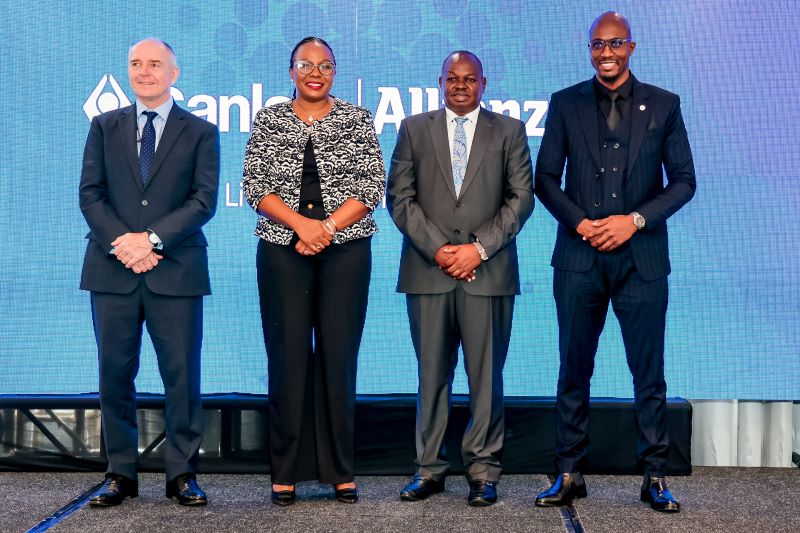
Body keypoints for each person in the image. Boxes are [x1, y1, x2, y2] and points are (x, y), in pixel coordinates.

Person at [533, 12, 696, 512]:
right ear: (589, 49)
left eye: (616, 43)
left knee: (648, 373)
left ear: (632, 47)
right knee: (572, 369)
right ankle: (568, 472)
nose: (606, 51)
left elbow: (684, 181)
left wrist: (635, 221)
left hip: (641, 259)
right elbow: (545, 180)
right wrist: (582, 224)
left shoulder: (664, 105)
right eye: (598, 44)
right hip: (579, 259)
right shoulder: (565, 104)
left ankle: (654, 477)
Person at [242, 36, 385, 506]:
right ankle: (285, 472)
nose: (315, 72)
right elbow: (254, 186)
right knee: (287, 359)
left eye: (325, 65)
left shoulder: (357, 119)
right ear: (291, 73)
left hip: (346, 250)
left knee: (339, 358)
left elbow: (370, 186)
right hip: (282, 250)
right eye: (306, 64)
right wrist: (303, 225)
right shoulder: (269, 119)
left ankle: (340, 471)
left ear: (335, 72)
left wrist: (325, 228)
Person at [388, 51, 534, 507]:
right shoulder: (413, 128)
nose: (460, 86)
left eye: (469, 79)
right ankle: (428, 469)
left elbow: (521, 198)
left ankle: (483, 470)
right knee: (431, 375)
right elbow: (400, 197)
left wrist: (478, 249)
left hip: (487, 272)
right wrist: (438, 249)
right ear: (440, 82)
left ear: (483, 84)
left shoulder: (509, 130)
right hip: (428, 271)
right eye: (453, 78)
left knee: (485, 379)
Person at [79, 38, 219, 507]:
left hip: (175, 269)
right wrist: (126, 244)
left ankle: (182, 473)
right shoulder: (103, 126)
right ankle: (120, 473)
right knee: (114, 375)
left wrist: (152, 240)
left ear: (173, 74)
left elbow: (202, 202)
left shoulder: (201, 131)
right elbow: (90, 195)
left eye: (154, 64)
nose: (144, 71)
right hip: (112, 269)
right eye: (136, 64)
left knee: (182, 376)